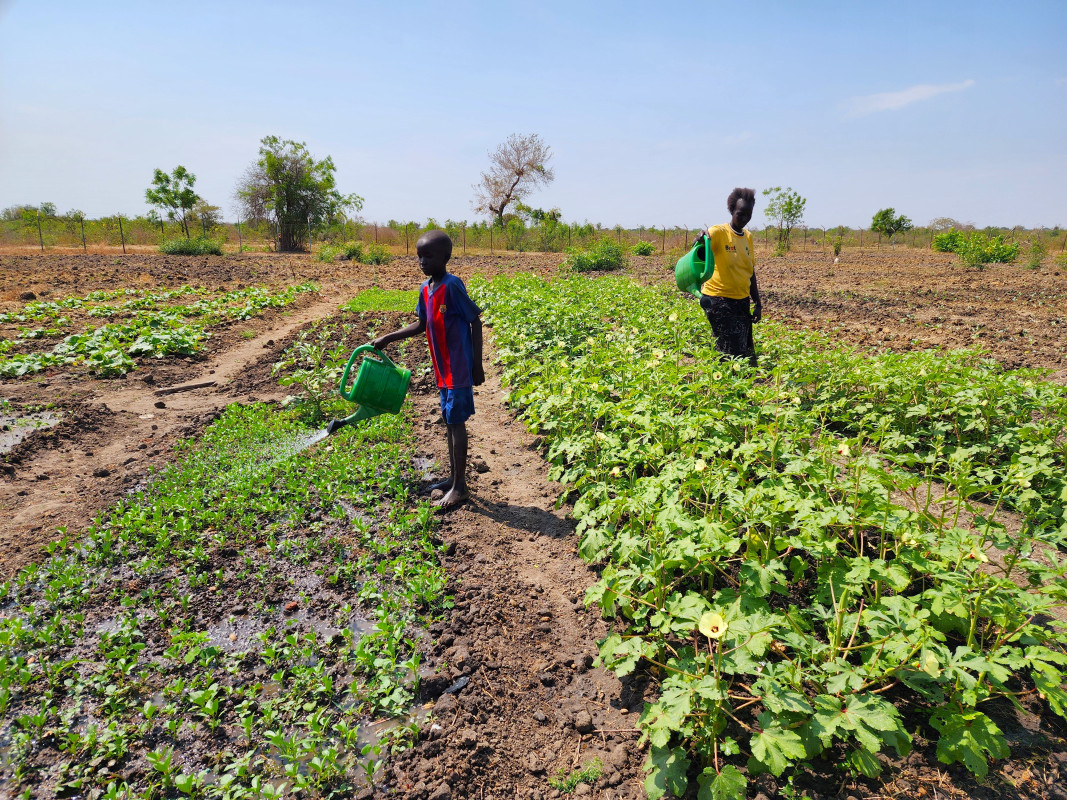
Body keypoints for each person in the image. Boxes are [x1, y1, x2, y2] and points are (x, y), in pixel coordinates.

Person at [371, 230, 484, 511]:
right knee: (448, 420)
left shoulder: (452, 286)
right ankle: (453, 478)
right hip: (441, 369)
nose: (422, 261)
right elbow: (421, 324)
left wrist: (477, 364)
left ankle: (461, 487)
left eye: (428, 256)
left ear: (445, 257)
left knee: (456, 423)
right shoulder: (425, 289)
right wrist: (388, 337)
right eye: (419, 256)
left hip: (457, 368)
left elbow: (475, 322)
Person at [694, 188, 762, 367]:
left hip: (741, 301)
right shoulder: (718, 232)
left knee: (742, 348)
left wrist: (758, 303)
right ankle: (725, 388)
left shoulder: (747, 237)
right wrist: (700, 239)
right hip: (718, 300)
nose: (745, 218)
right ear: (732, 211)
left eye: (749, 214)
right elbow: (698, 252)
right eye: (741, 214)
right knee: (731, 352)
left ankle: (732, 385)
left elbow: (750, 271)